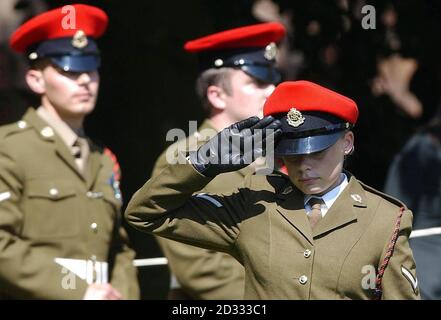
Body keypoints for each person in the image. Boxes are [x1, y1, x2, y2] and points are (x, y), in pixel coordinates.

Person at [126, 80, 419, 299]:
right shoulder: (256, 203)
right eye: (292, 155)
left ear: (347, 143)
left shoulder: (384, 219)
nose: (304, 166)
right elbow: (145, 214)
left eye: (317, 153)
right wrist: (203, 163)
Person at [0, 4, 139, 299]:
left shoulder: (102, 159)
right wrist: (79, 291)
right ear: (36, 79)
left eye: (91, 69)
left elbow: (119, 249)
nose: (85, 81)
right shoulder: (9, 149)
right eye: (68, 70)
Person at [150, 21, 286, 299]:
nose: (272, 90)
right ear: (217, 95)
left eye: (273, 80)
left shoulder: (271, 154)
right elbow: (199, 267)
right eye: (257, 82)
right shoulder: (183, 158)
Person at [384, 107, 441, 299]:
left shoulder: (422, 149)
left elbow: (395, 212)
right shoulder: (421, 151)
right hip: (426, 267)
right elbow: (396, 213)